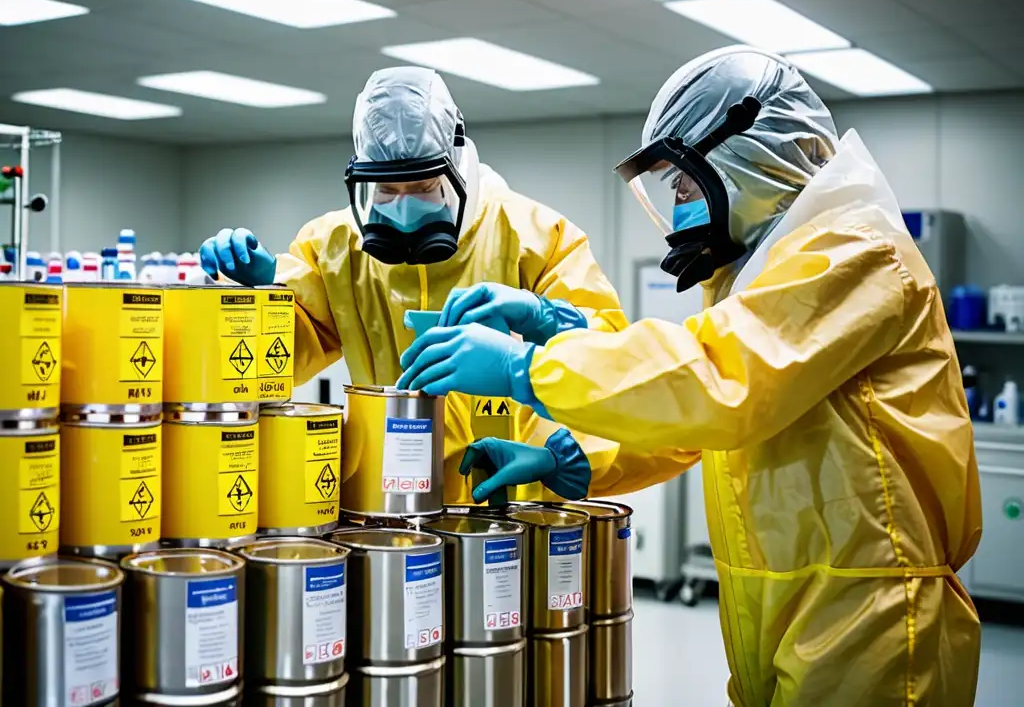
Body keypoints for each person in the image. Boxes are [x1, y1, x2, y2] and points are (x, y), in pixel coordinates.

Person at [398, 47, 982, 706]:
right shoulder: (763, 271)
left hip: (867, 609)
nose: (679, 207)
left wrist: (524, 367)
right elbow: (707, 416)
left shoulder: (854, 252)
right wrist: (569, 457)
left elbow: (716, 381)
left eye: (682, 184)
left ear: (749, 159)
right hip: (782, 597)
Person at [199, 65, 626, 504]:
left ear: (458, 168)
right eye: (385, 191)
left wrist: (562, 451)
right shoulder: (334, 246)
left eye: (424, 187)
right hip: (382, 497)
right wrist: (260, 295)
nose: (403, 208)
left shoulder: (535, 235)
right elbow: (278, 362)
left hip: (515, 495)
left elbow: (612, 358)